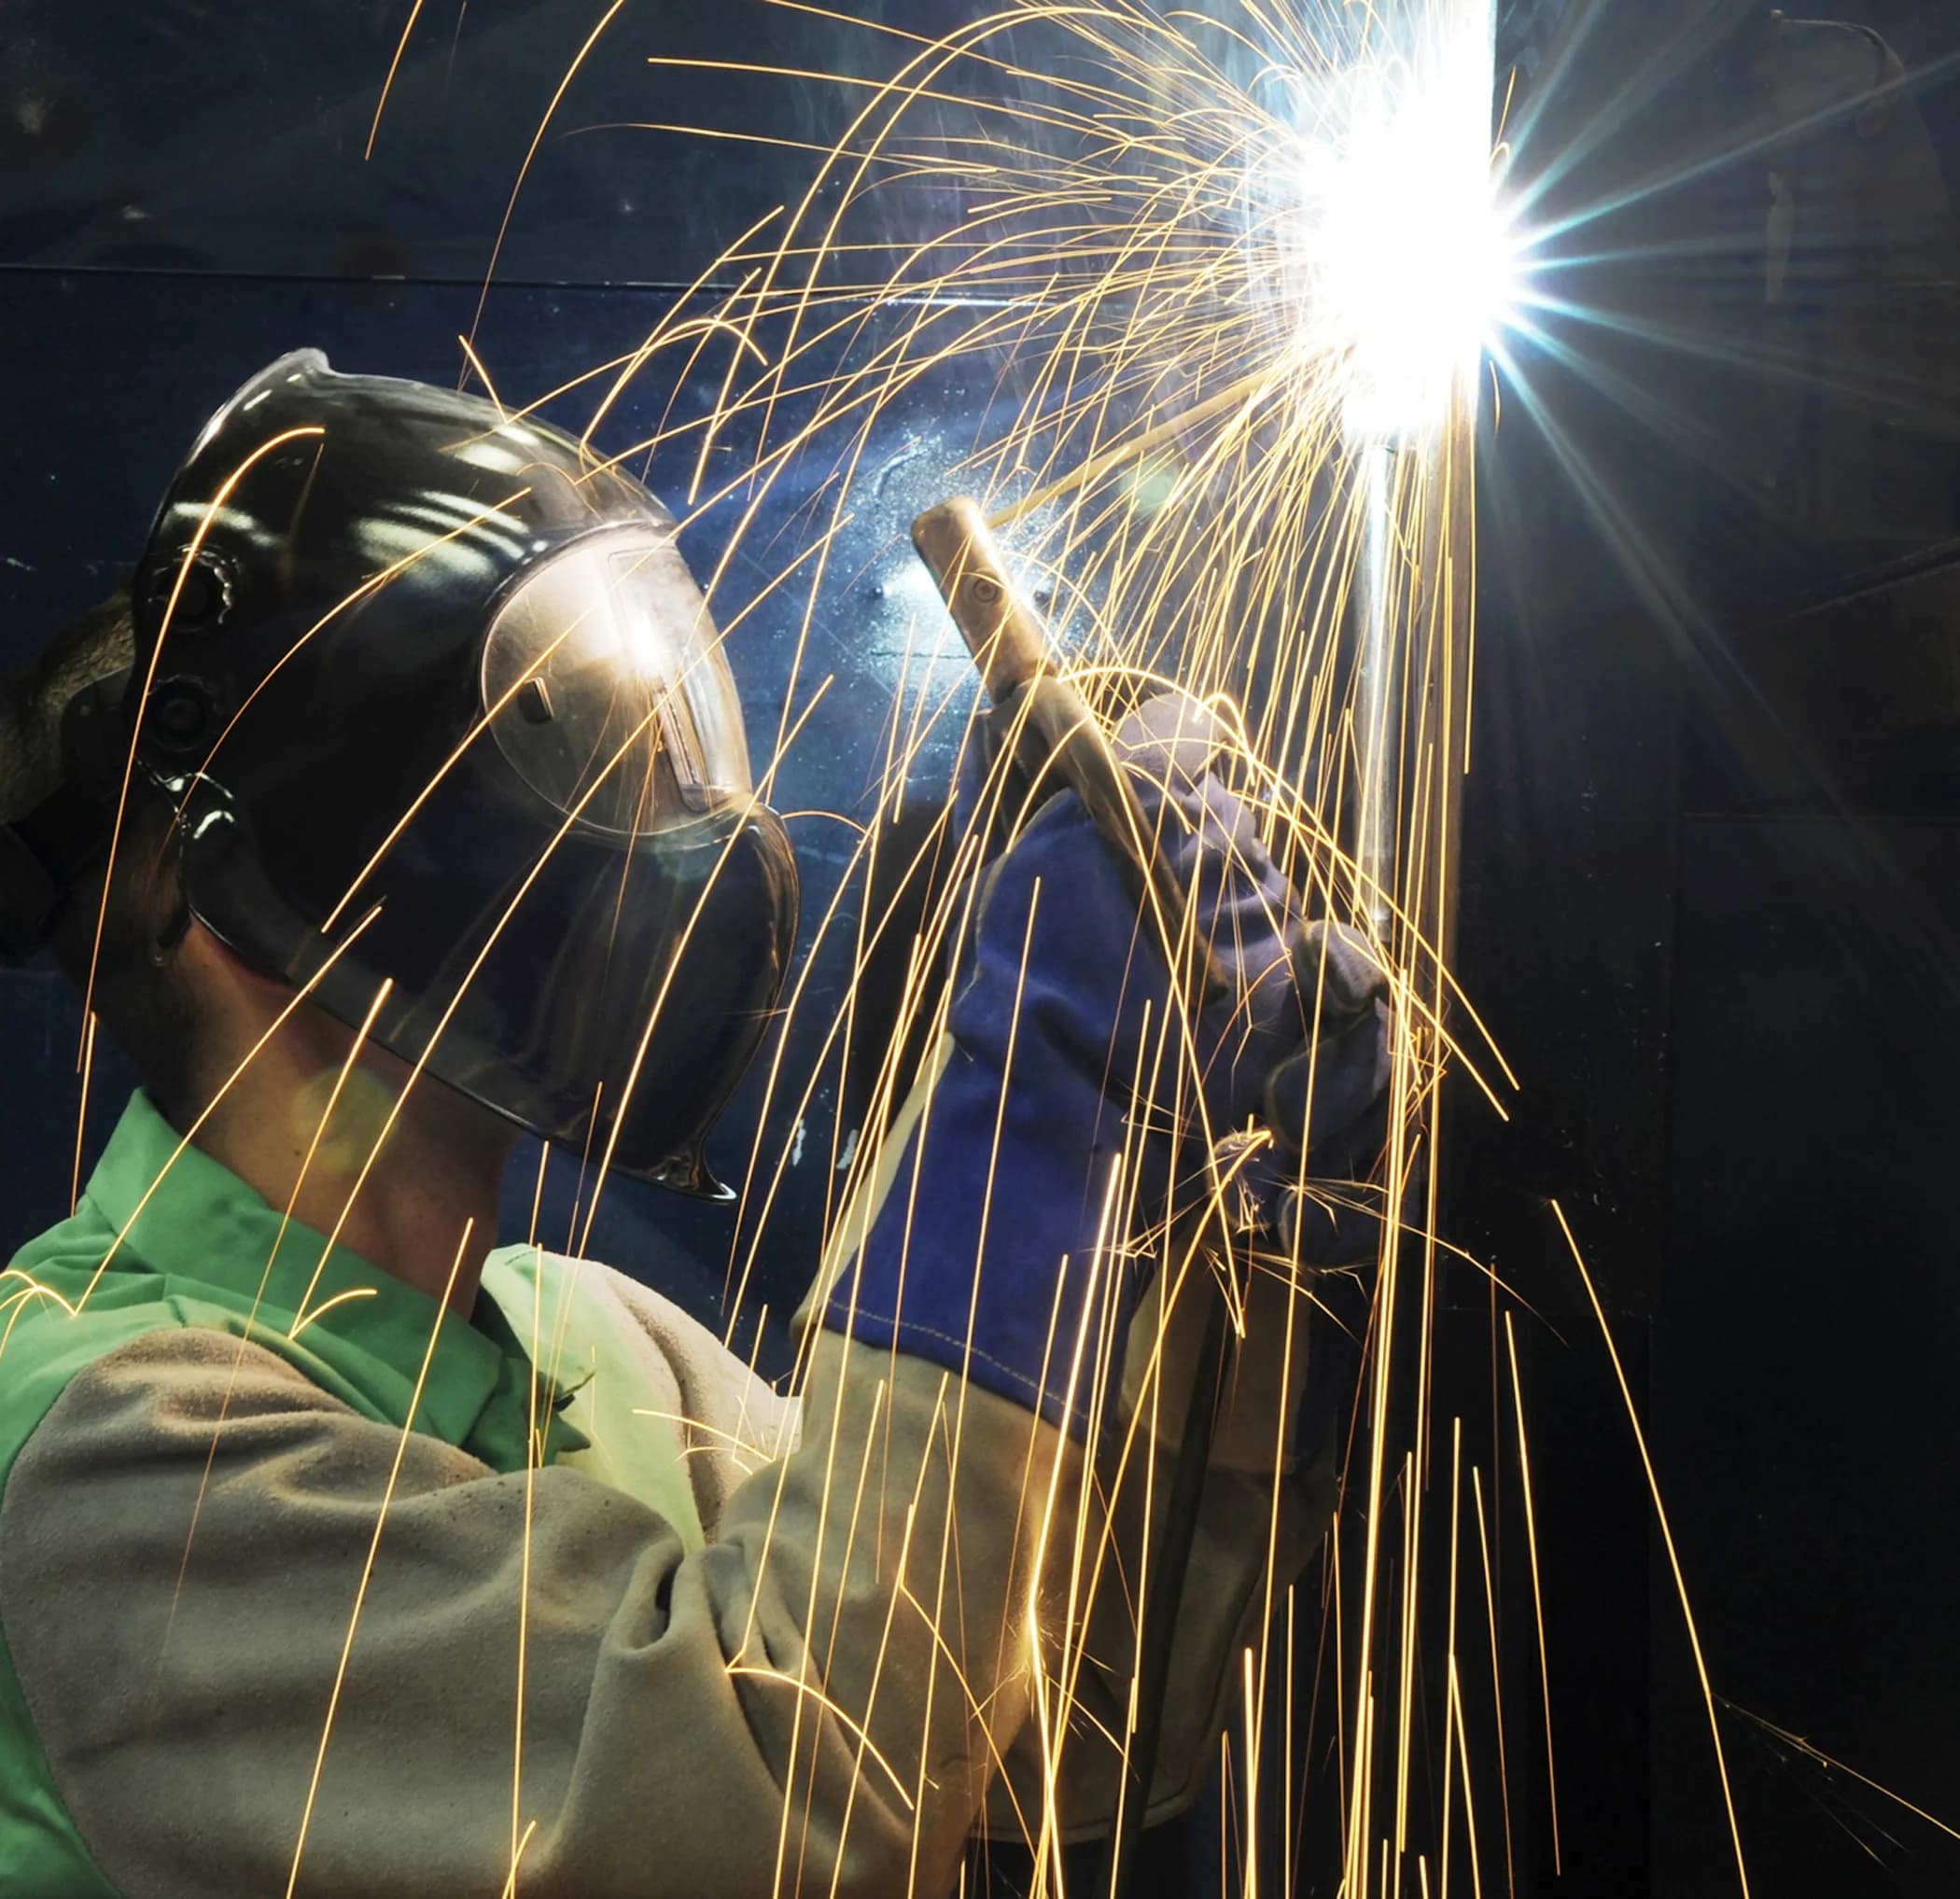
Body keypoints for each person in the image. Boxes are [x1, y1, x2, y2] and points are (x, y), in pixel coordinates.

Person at [0, 351, 1392, 1897]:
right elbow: (780, 1800)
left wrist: (1213, 1229)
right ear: (258, 861)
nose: (667, 809)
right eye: (569, 738)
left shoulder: (602, 1345)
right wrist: (1032, 1092)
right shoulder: (99, 1454)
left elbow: (1056, 1719)